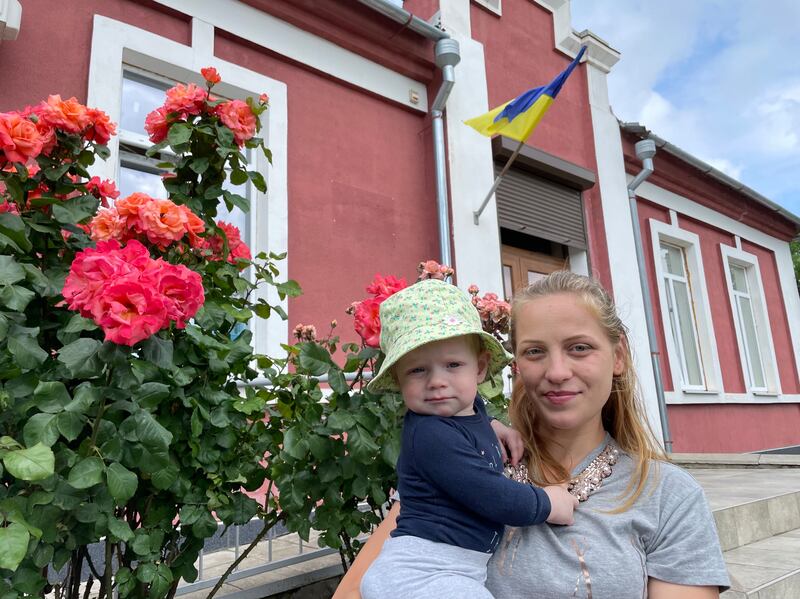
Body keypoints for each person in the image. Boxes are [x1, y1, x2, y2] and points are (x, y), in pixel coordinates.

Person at [335, 272, 730, 599]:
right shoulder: (458, 457)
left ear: (619, 356)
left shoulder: (667, 498)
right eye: (535, 351)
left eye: (579, 347)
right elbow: (356, 591)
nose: (556, 371)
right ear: (516, 364)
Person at [359, 278, 578, 599]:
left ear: (479, 368)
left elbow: (473, 415)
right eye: (417, 371)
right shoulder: (431, 435)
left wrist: (494, 426)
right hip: (421, 572)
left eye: (452, 365)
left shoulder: (463, 407)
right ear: (398, 378)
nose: (437, 382)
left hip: (445, 569)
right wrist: (549, 503)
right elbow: (494, 497)